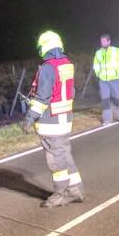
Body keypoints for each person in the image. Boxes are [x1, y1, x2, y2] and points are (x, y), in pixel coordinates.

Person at [23, 29, 86, 208]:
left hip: (50, 121)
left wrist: (29, 117)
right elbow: (70, 91)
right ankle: (76, 190)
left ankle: (60, 194)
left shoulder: (48, 67)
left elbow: (43, 97)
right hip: (65, 118)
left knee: (55, 160)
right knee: (65, 155)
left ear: (45, 47)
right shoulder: (66, 64)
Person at [93, 33, 119, 124]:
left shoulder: (116, 51)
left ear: (109, 42)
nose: (102, 43)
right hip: (103, 81)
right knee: (105, 100)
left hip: (115, 79)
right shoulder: (98, 53)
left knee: (117, 98)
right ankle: (107, 120)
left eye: (104, 41)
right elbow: (96, 65)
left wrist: (118, 71)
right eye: (101, 41)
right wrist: (98, 74)